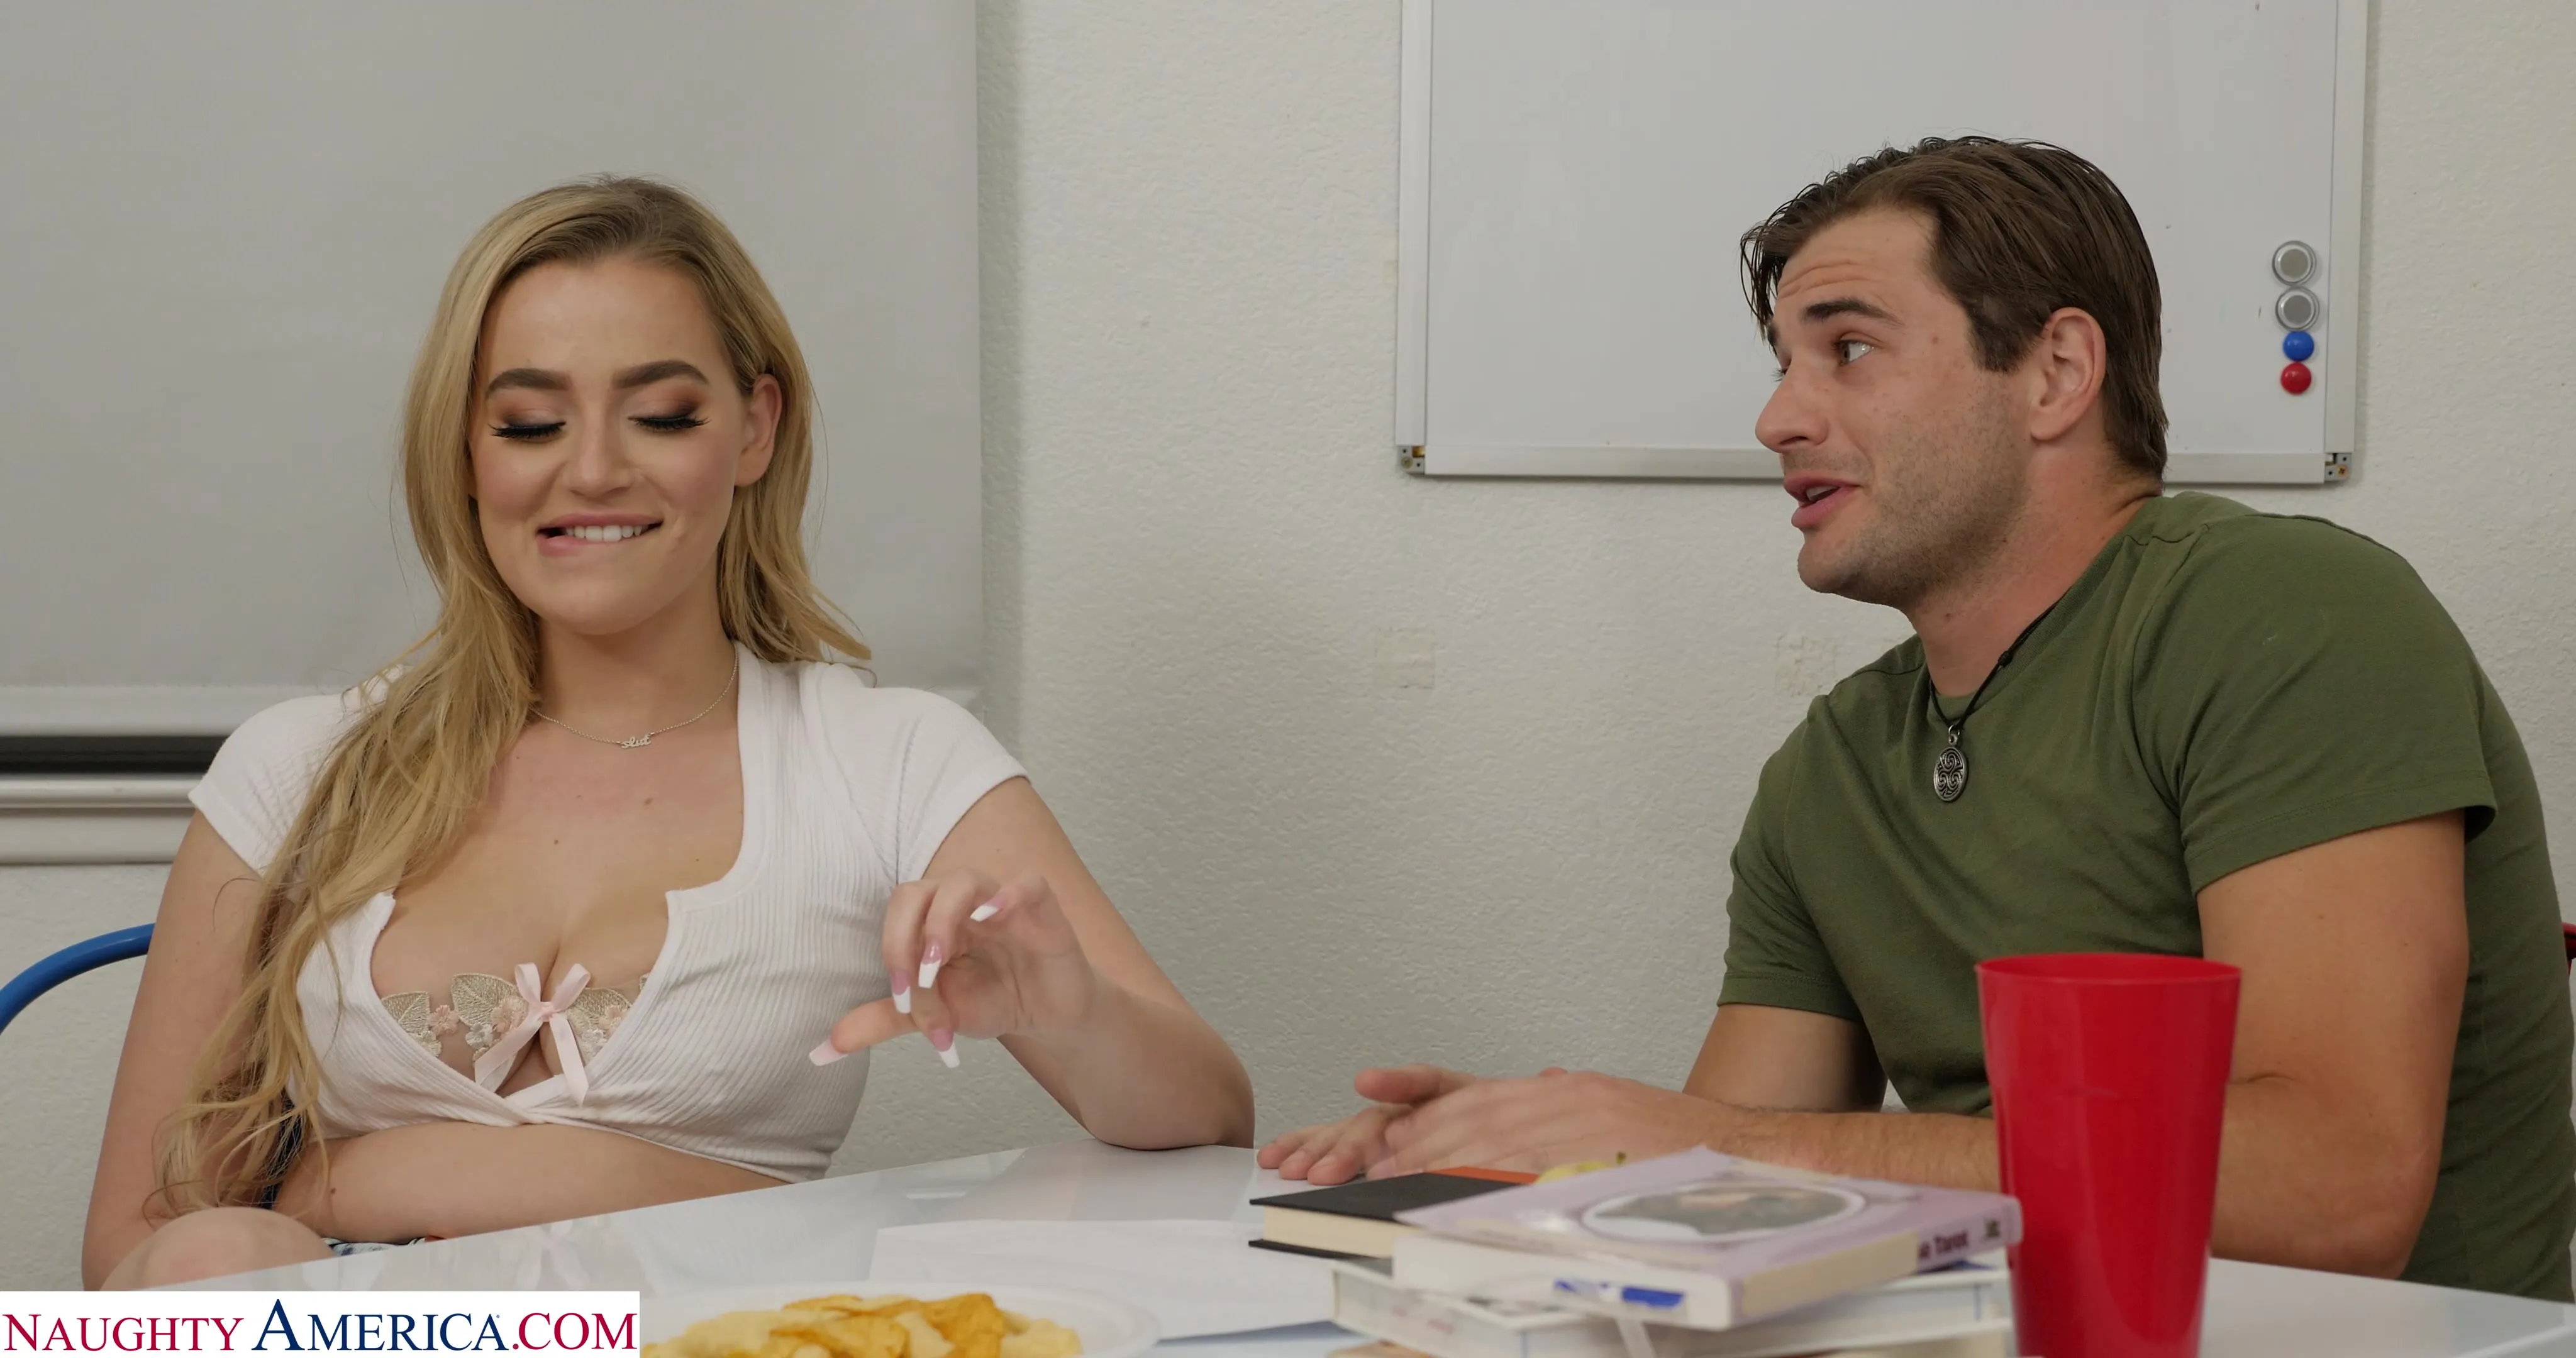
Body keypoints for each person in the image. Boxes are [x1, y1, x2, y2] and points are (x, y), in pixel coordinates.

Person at [1263, 138, 2573, 1300]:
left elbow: (2335, 1190)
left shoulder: (2285, 613)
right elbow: (1722, 1181)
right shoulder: (1829, 770)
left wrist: (1709, 1143)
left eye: (1847, 348)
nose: (1777, 418)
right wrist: (1505, 1161)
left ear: (2054, 372)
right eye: (1783, 363)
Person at [86, 177, 1253, 1289]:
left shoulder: (888, 760)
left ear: (753, 429)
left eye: (660, 415)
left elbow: (1210, 1121)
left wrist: (1073, 1014)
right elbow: (134, 1254)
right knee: (206, 1263)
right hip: (371, 1335)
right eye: (531, 423)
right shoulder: (299, 769)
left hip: (719, 1328)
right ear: (467, 453)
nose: (593, 470)